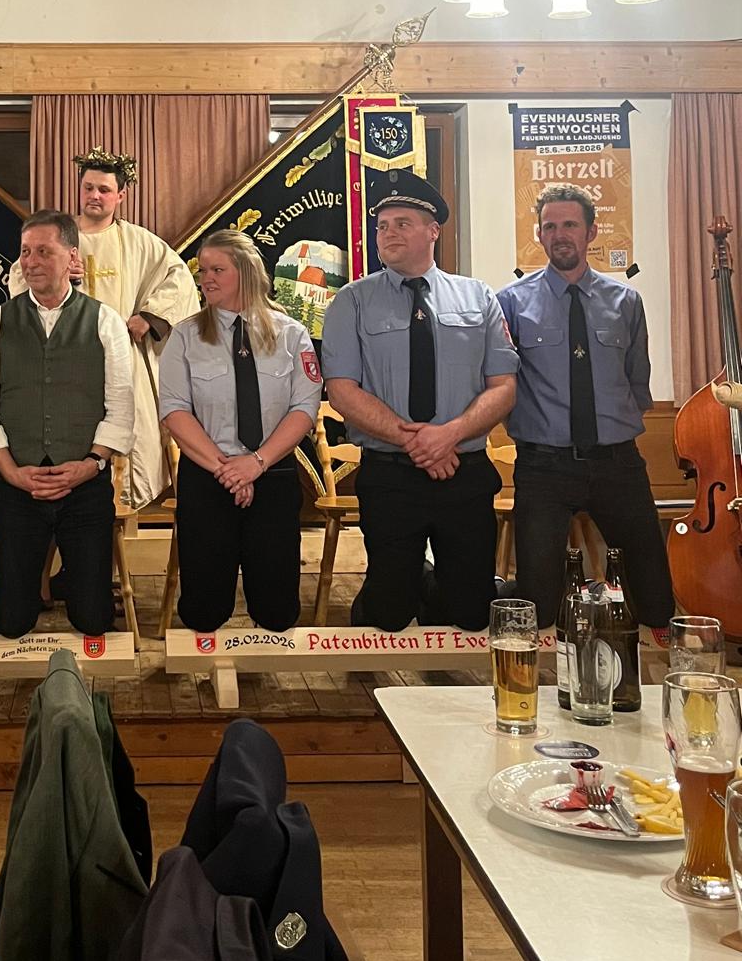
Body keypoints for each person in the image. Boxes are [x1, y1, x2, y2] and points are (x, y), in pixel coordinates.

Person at [320, 172, 519, 632]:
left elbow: (504, 385)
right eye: (382, 225)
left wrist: (449, 436)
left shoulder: (477, 296)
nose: (388, 233)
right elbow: (342, 389)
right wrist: (419, 442)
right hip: (391, 476)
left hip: (463, 471)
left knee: (471, 614)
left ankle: (434, 588)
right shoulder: (352, 301)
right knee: (389, 614)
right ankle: (409, 586)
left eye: (402, 223)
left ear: (433, 230)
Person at [497, 182, 675, 628]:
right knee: (538, 603)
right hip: (544, 467)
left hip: (618, 465)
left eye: (570, 225)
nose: (560, 235)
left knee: (655, 599)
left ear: (591, 232)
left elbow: (637, 380)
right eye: (549, 226)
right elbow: (501, 381)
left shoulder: (626, 302)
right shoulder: (511, 303)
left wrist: (611, 426)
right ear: (539, 234)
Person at [0, 209, 134, 638]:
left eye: (44, 251)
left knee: (93, 619)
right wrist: (12, 473)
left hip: (85, 484)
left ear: (71, 257)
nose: (31, 262)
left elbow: (120, 407)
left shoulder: (105, 321)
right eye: (26, 252)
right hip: (17, 484)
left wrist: (90, 464)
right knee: (11, 622)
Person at [9, 148, 198, 509]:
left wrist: (149, 317)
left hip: (122, 355)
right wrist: (56, 276)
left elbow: (179, 279)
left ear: (120, 195)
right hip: (62, 360)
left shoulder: (139, 242)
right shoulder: (56, 237)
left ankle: (121, 506)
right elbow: (20, 279)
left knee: (125, 427)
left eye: (104, 190)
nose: (94, 195)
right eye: (88, 188)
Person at [159, 229, 320, 634]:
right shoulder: (185, 336)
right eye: (202, 271)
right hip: (207, 477)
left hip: (273, 474)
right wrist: (228, 470)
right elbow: (175, 410)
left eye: (217, 270)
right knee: (204, 608)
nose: (206, 279)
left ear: (247, 273)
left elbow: (304, 409)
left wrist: (256, 464)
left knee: (277, 609)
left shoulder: (292, 335)